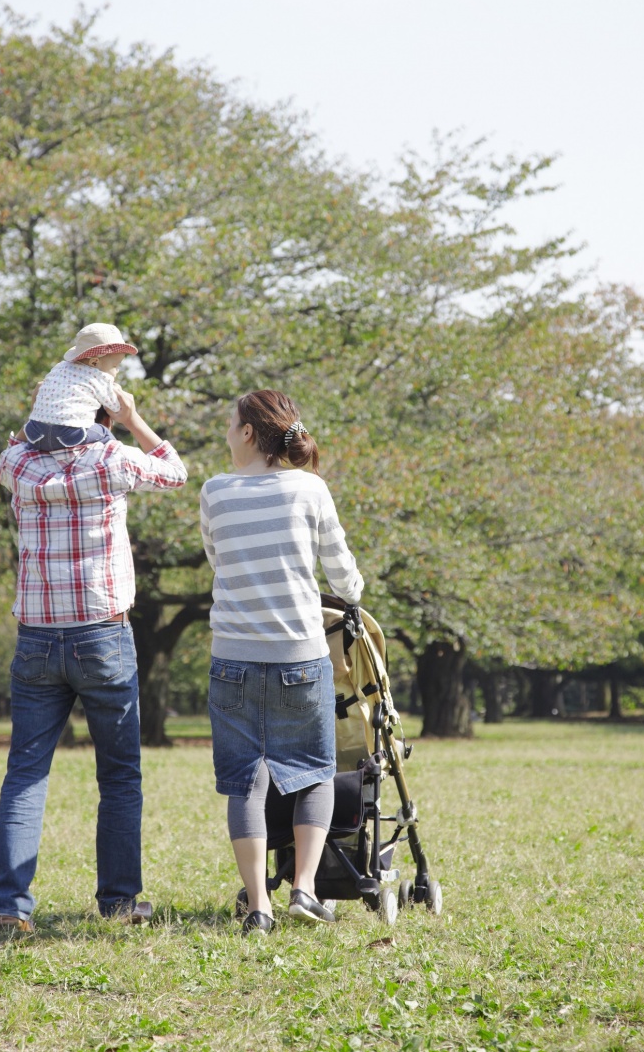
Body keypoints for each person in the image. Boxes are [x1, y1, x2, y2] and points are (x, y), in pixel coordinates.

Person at [0, 385, 187, 932]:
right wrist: (134, 419)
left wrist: (45, 403)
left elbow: (16, 440)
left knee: (25, 773)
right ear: (102, 417)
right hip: (101, 635)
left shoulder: (19, 465)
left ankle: (10, 906)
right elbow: (175, 471)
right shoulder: (113, 459)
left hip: (36, 637)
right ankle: (119, 904)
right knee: (119, 777)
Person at [199, 389, 364, 934]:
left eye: (230, 425)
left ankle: (258, 905)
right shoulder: (310, 489)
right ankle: (304, 889)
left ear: (249, 433)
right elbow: (342, 575)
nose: (227, 434)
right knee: (315, 770)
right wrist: (353, 594)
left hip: (232, 660)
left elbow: (218, 562)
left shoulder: (215, 493)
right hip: (300, 656)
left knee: (244, 781)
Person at [23, 322, 136, 451]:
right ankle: (112, 456)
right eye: (115, 366)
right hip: (69, 435)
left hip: (35, 434)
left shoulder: (60, 367)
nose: (117, 371)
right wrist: (118, 391)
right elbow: (117, 407)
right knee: (105, 434)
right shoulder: (98, 377)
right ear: (94, 362)